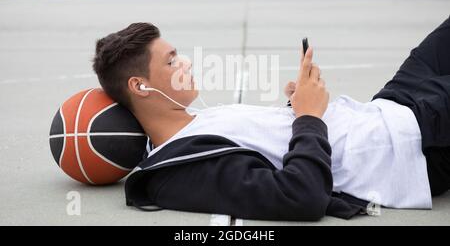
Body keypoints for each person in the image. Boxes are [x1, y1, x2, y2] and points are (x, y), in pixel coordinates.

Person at [92, 17, 450, 221]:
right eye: (171, 61)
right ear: (139, 86)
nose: (184, 62)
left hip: (387, 107)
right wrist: (309, 116)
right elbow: (300, 196)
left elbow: (275, 146)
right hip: (409, 142)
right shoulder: (181, 168)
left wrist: (295, 107)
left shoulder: (195, 120)